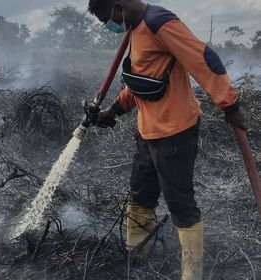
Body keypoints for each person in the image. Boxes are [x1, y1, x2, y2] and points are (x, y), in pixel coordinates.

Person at [87, 1, 246, 279]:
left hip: (175, 131)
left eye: (105, 19)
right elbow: (141, 78)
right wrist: (113, 111)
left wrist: (229, 104)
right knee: (141, 194)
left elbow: (204, 59)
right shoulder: (134, 30)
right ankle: (136, 256)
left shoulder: (160, 22)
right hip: (147, 131)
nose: (106, 25)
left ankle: (191, 273)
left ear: (118, 5)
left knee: (180, 203)